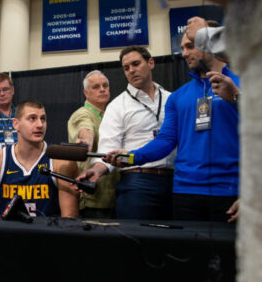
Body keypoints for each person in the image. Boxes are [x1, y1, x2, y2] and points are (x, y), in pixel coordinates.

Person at [85, 19, 240, 223]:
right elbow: (165, 141)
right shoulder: (178, 97)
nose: (184, 53)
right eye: (183, 47)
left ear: (211, 43)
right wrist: (130, 157)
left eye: (190, 46)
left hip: (230, 191)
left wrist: (237, 97)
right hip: (185, 192)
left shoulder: (243, 82)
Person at [77, 47, 175, 220]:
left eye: (136, 64)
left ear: (150, 63)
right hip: (138, 182)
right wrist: (97, 171)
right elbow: (107, 152)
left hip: (175, 181)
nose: (131, 70)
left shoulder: (172, 99)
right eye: (126, 67)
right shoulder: (117, 106)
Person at [0, 100, 79, 218]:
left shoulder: (61, 162)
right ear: (16, 124)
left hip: (48, 234)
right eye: (32, 118)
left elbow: (69, 218)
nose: (40, 125)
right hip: (8, 234)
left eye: (43, 119)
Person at [67, 70, 119, 218]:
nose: (102, 89)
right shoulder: (82, 114)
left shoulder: (112, 115)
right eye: (96, 87)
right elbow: (85, 129)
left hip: (116, 197)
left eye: (105, 85)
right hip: (94, 200)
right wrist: (85, 141)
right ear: (86, 93)